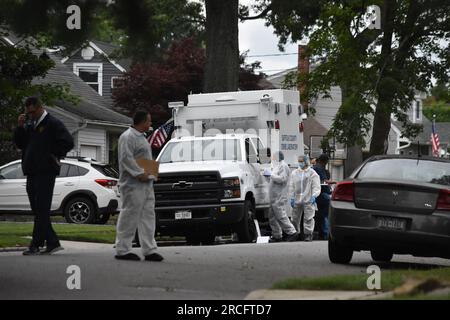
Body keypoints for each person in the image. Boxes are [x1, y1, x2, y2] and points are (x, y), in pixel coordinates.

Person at [13, 96, 74, 255]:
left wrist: (53, 154)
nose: (30, 115)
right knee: (38, 209)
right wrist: (20, 127)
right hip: (32, 171)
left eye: (32, 112)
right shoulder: (30, 125)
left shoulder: (53, 124)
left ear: (39, 108)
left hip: (46, 171)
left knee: (41, 208)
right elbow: (20, 144)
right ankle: (52, 242)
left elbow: (68, 142)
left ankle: (36, 244)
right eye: (28, 113)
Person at [115, 110, 163, 262]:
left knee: (148, 216)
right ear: (142, 122)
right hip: (132, 185)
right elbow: (126, 158)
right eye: (148, 121)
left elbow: (143, 158)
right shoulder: (127, 137)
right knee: (129, 215)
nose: (150, 124)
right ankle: (123, 249)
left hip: (146, 183)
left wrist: (151, 172)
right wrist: (138, 173)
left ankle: (149, 249)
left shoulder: (142, 137)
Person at [264, 151, 298, 242]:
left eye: (274, 156)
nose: (273, 158)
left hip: (279, 195)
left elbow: (283, 179)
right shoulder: (277, 166)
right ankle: (277, 235)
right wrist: (268, 176)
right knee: (272, 217)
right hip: (274, 196)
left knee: (281, 216)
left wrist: (271, 175)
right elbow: (273, 180)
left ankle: (292, 232)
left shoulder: (284, 166)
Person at [288, 155, 321, 242]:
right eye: (299, 161)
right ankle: (295, 234)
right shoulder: (295, 173)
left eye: (301, 161)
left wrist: (314, 195)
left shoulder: (312, 173)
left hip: (308, 199)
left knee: (308, 218)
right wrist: (291, 197)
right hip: (297, 199)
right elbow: (291, 186)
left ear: (306, 162)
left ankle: (308, 234)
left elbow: (316, 186)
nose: (300, 163)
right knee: (294, 218)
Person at [312, 154, 336, 240]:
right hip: (322, 194)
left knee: (320, 216)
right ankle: (326, 234)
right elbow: (325, 181)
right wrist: (336, 182)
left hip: (318, 194)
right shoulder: (319, 168)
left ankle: (322, 234)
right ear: (324, 161)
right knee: (326, 215)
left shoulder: (315, 167)